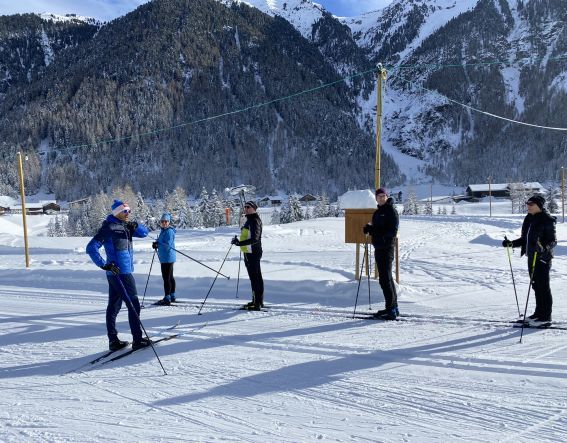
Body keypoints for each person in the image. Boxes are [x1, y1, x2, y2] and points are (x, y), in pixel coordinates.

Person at [86, 199, 151, 351]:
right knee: (133, 305)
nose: (128, 213)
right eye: (125, 211)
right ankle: (137, 340)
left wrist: (137, 226)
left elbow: (145, 233)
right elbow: (91, 248)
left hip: (120, 272)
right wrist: (104, 264)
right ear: (117, 212)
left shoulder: (126, 226)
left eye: (129, 211)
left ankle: (113, 341)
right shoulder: (109, 228)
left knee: (114, 306)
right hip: (120, 273)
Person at [502, 195, 557, 326]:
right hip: (531, 258)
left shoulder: (547, 220)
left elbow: (553, 241)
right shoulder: (529, 219)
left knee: (543, 287)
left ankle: (545, 317)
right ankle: (538, 314)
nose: (528, 206)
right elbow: (524, 240)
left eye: (531, 204)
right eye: (527, 203)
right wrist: (511, 244)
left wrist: (543, 248)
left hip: (542, 258)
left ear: (539, 205)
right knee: (536, 286)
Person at [363, 187, 400, 320]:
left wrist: (376, 232)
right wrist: (369, 229)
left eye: (383, 196)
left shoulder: (391, 211)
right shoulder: (377, 212)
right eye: (379, 196)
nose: (381, 198)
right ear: (376, 198)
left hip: (387, 248)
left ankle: (391, 310)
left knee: (385, 279)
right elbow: (377, 228)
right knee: (386, 279)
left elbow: (392, 231)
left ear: (387, 196)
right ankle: (393, 307)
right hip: (379, 248)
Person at [231, 200, 264, 310]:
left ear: (254, 208)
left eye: (248, 207)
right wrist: (238, 240)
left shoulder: (254, 220)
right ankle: (258, 301)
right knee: (256, 277)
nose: (246, 208)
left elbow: (255, 239)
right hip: (249, 252)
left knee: (255, 278)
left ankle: (257, 303)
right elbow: (247, 235)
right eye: (245, 207)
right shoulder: (249, 220)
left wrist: (240, 243)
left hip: (252, 253)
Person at [153, 212, 177, 306]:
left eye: (166, 221)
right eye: (162, 221)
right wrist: (157, 243)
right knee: (170, 277)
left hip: (167, 257)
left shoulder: (169, 231)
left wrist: (157, 244)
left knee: (166, 278)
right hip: (166, 257)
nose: (164, 223)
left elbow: (167, 245)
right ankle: (172, 295)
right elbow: (162, 242)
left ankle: (167, 298)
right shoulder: (164, 231)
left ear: (169, 222)